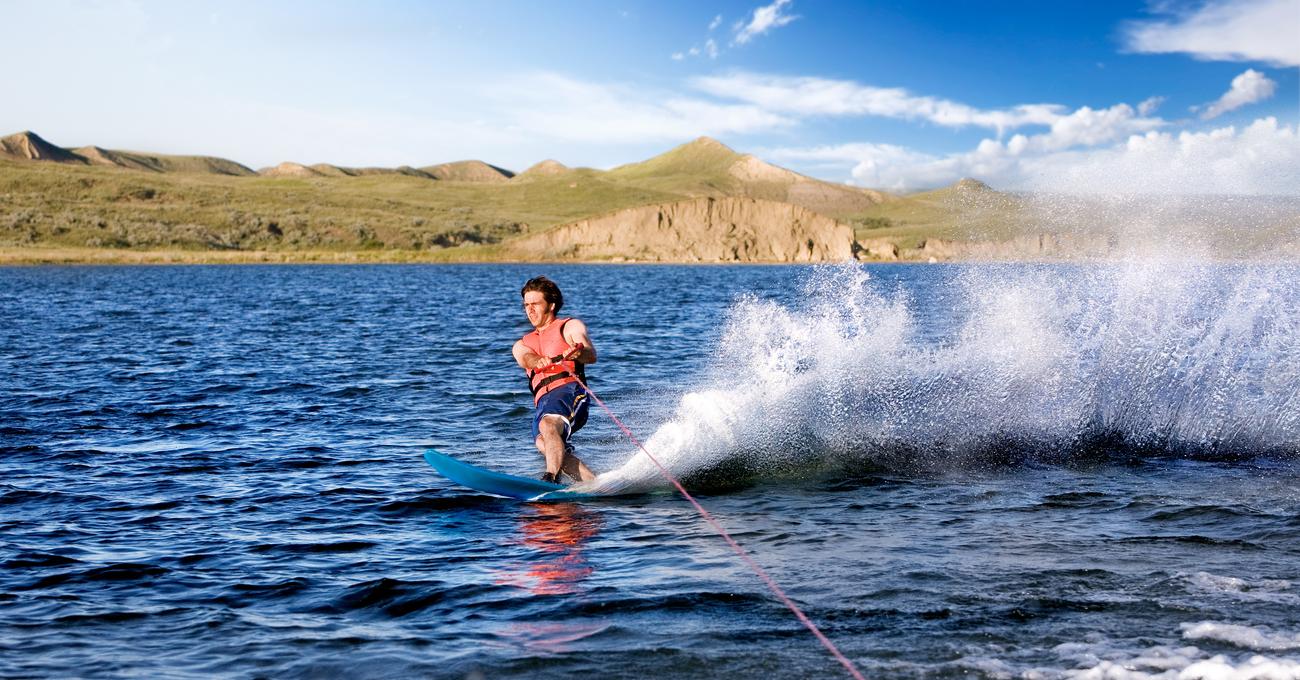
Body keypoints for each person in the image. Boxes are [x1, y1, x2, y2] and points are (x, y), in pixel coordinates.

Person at [512, 276, 598, 484]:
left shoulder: (568, 327)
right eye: (526, 305)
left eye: (535, 304)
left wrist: (579, 353)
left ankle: (551, 478)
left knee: (549, 425)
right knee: (546, 443)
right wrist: (537, 360)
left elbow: (589, 353)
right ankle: (595, 484)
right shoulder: (522, 343)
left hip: (569, 393)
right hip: (542, 403)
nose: (529, 310)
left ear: (550, 305)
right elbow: (524, 357)